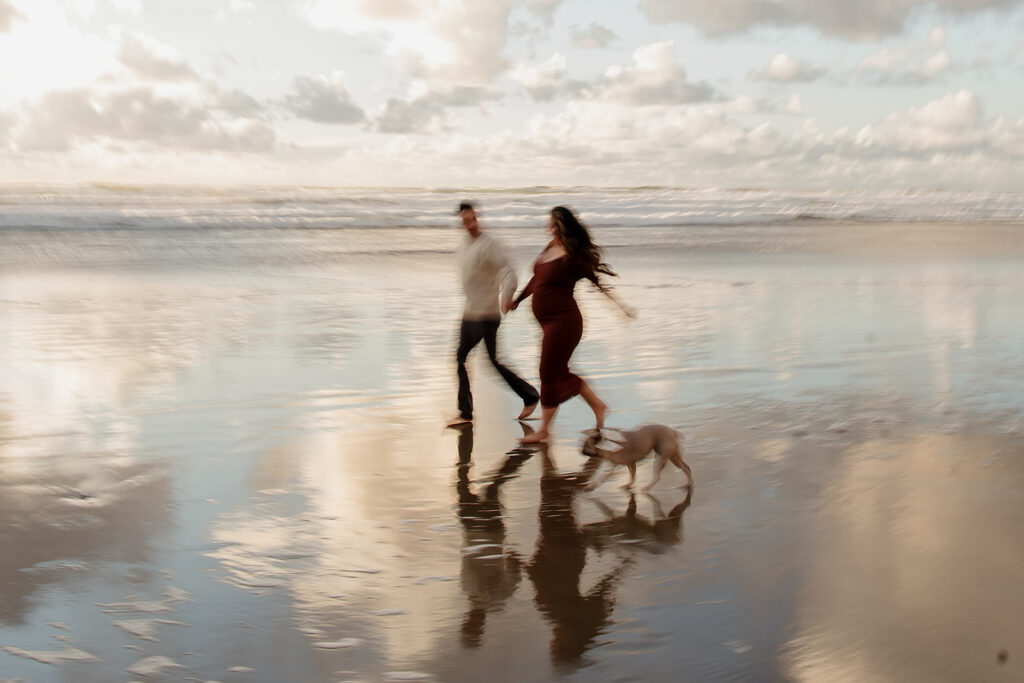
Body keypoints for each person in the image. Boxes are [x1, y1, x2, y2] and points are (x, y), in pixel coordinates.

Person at [507, 206, 635, 443]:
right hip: (548, 323)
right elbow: (537, 279)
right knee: (556, 371)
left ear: (563, 227)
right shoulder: (549, 248)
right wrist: (517, 300)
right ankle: (598, 406)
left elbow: (597, 282)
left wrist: (621, 308)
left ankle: (545, 430)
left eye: (553, 225)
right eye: (549, 224)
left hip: (565, 322)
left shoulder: (574, 255)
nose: (549, 229)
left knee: (548, 371)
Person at [449, 202, 539, 426]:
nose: (469, 224)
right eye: (465, 221)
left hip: (486, 314)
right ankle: (467, 413)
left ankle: (529, 396)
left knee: (487, 360)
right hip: (470, 313)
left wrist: (506, 296)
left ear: (478, 218)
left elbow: (509, 271)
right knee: (463, 358)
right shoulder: (463, 244)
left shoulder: (489, 244)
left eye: (472, 220)